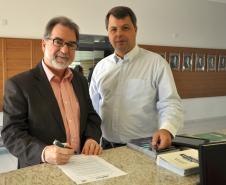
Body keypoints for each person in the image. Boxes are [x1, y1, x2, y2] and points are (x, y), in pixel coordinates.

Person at [1, 16, 102, 168]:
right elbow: (11, 134)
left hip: (80, 166)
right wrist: (44, 152)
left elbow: (91, 117)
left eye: (71, 44)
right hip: (41, 169)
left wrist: (91, 138)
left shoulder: (80, 80)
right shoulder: (19, 85)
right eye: (58, 42)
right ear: (43, 44)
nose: (65, 50)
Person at [89, 6, 183, 150]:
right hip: (106, 146)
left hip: (145, 145)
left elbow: (170, 102)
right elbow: (92, 109)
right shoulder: (101, 67)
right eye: (113, 29)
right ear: (108, 32)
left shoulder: (156, 63)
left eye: (125, 28)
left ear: (135, 30)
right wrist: (90, 137)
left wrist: (167, 129)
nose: (119, 34)